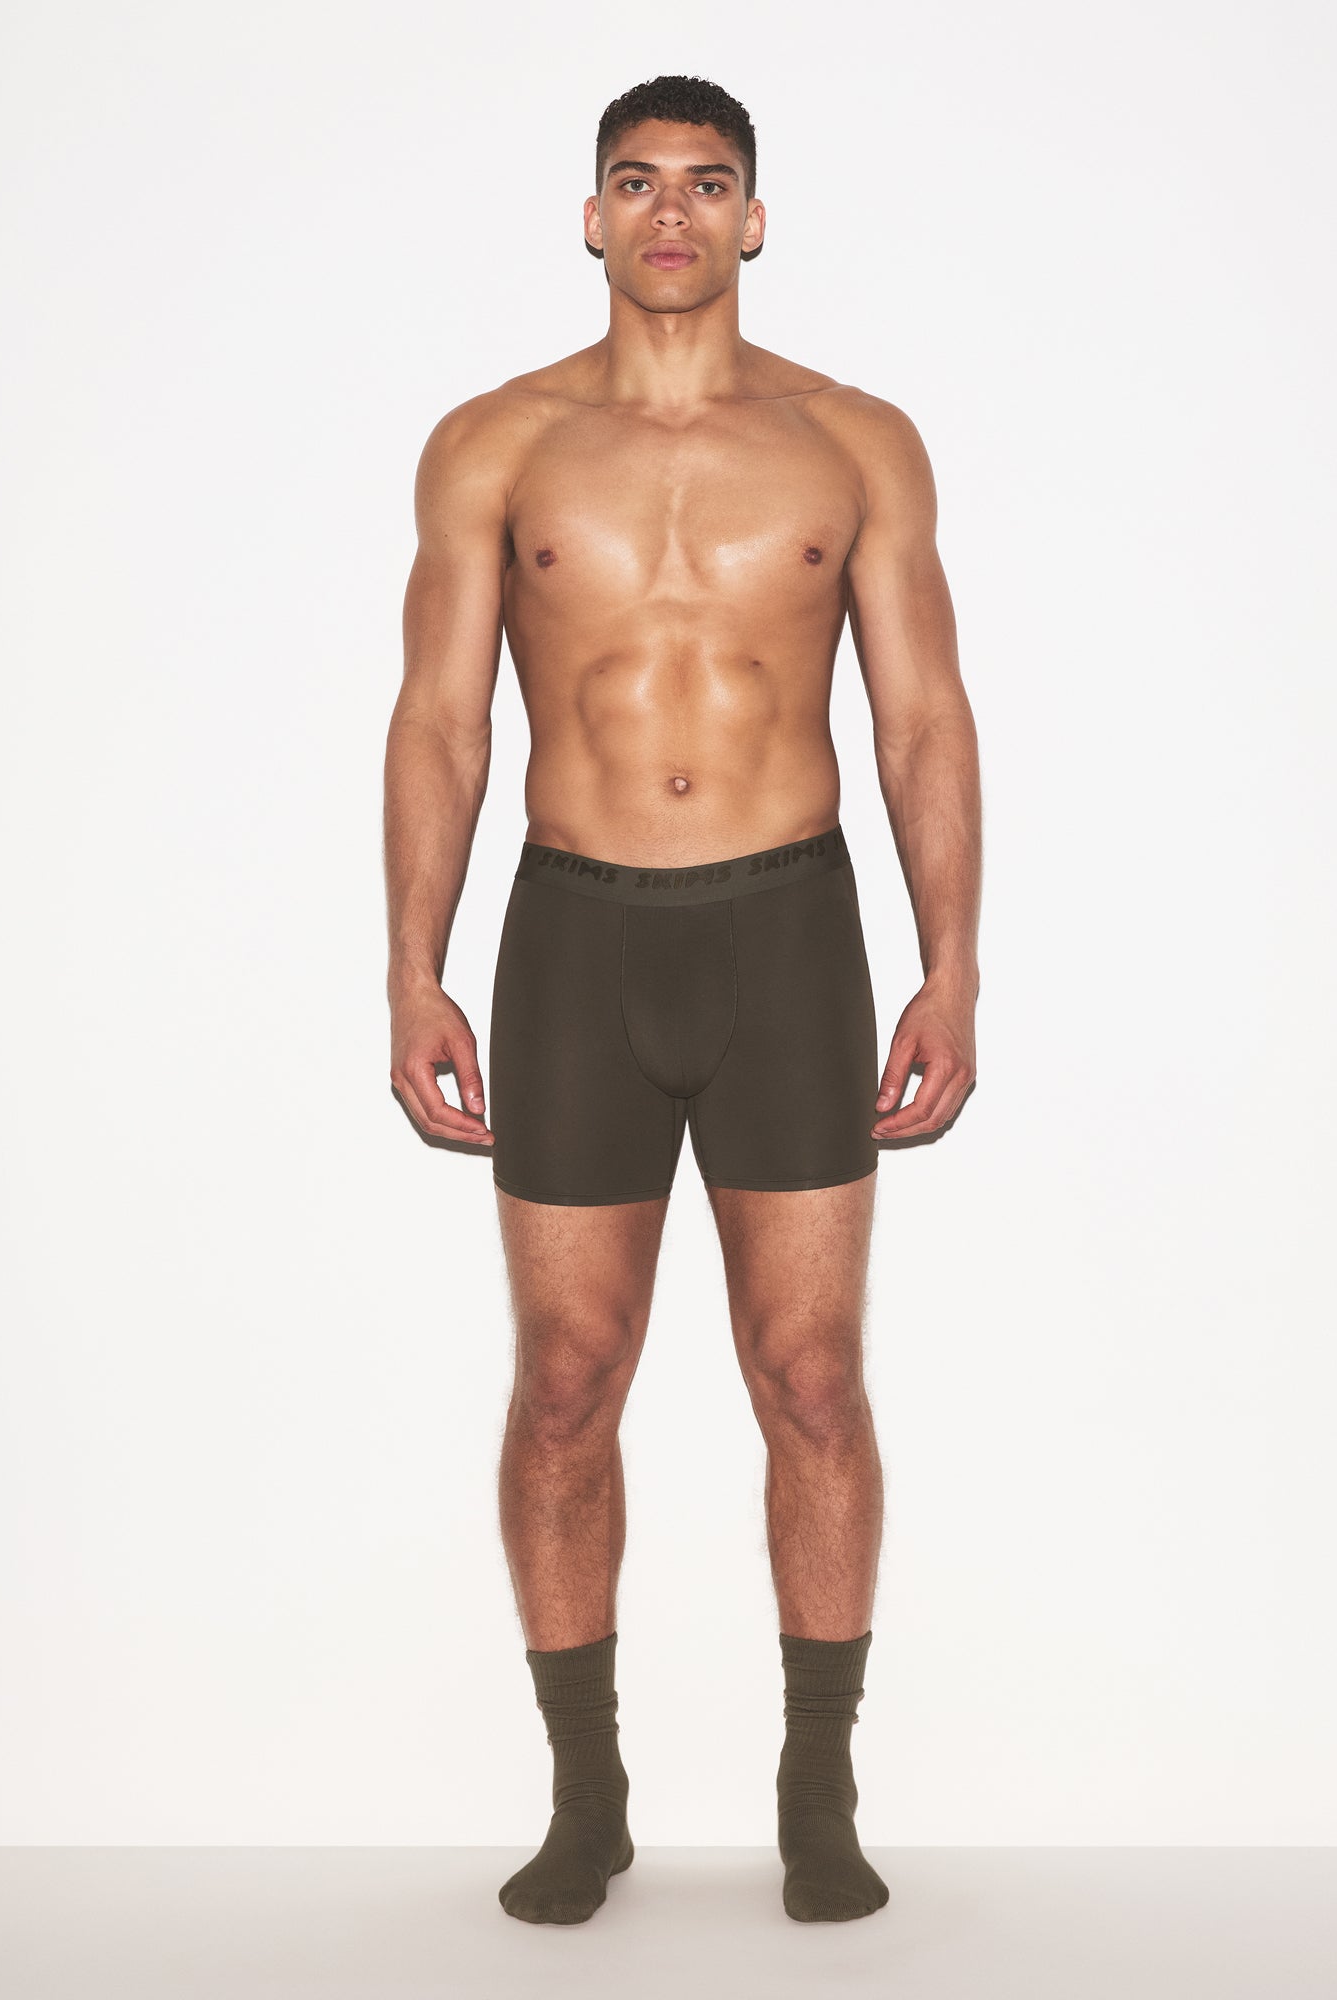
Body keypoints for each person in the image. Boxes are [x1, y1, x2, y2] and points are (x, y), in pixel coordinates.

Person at [382, 73, 981, 1925]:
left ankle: (819, 1790)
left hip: (788, 932)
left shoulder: (852, 440)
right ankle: (590, 1799)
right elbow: (441, 722)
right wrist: (411, 966)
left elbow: (921, 718)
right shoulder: (495, 444)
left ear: (754, 219)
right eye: (636, 183)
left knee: (812, 1378)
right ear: (591, 216)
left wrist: (953, 962)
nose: (670, 214)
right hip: (574, 937)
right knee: (567, 1384)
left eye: (707, 185)